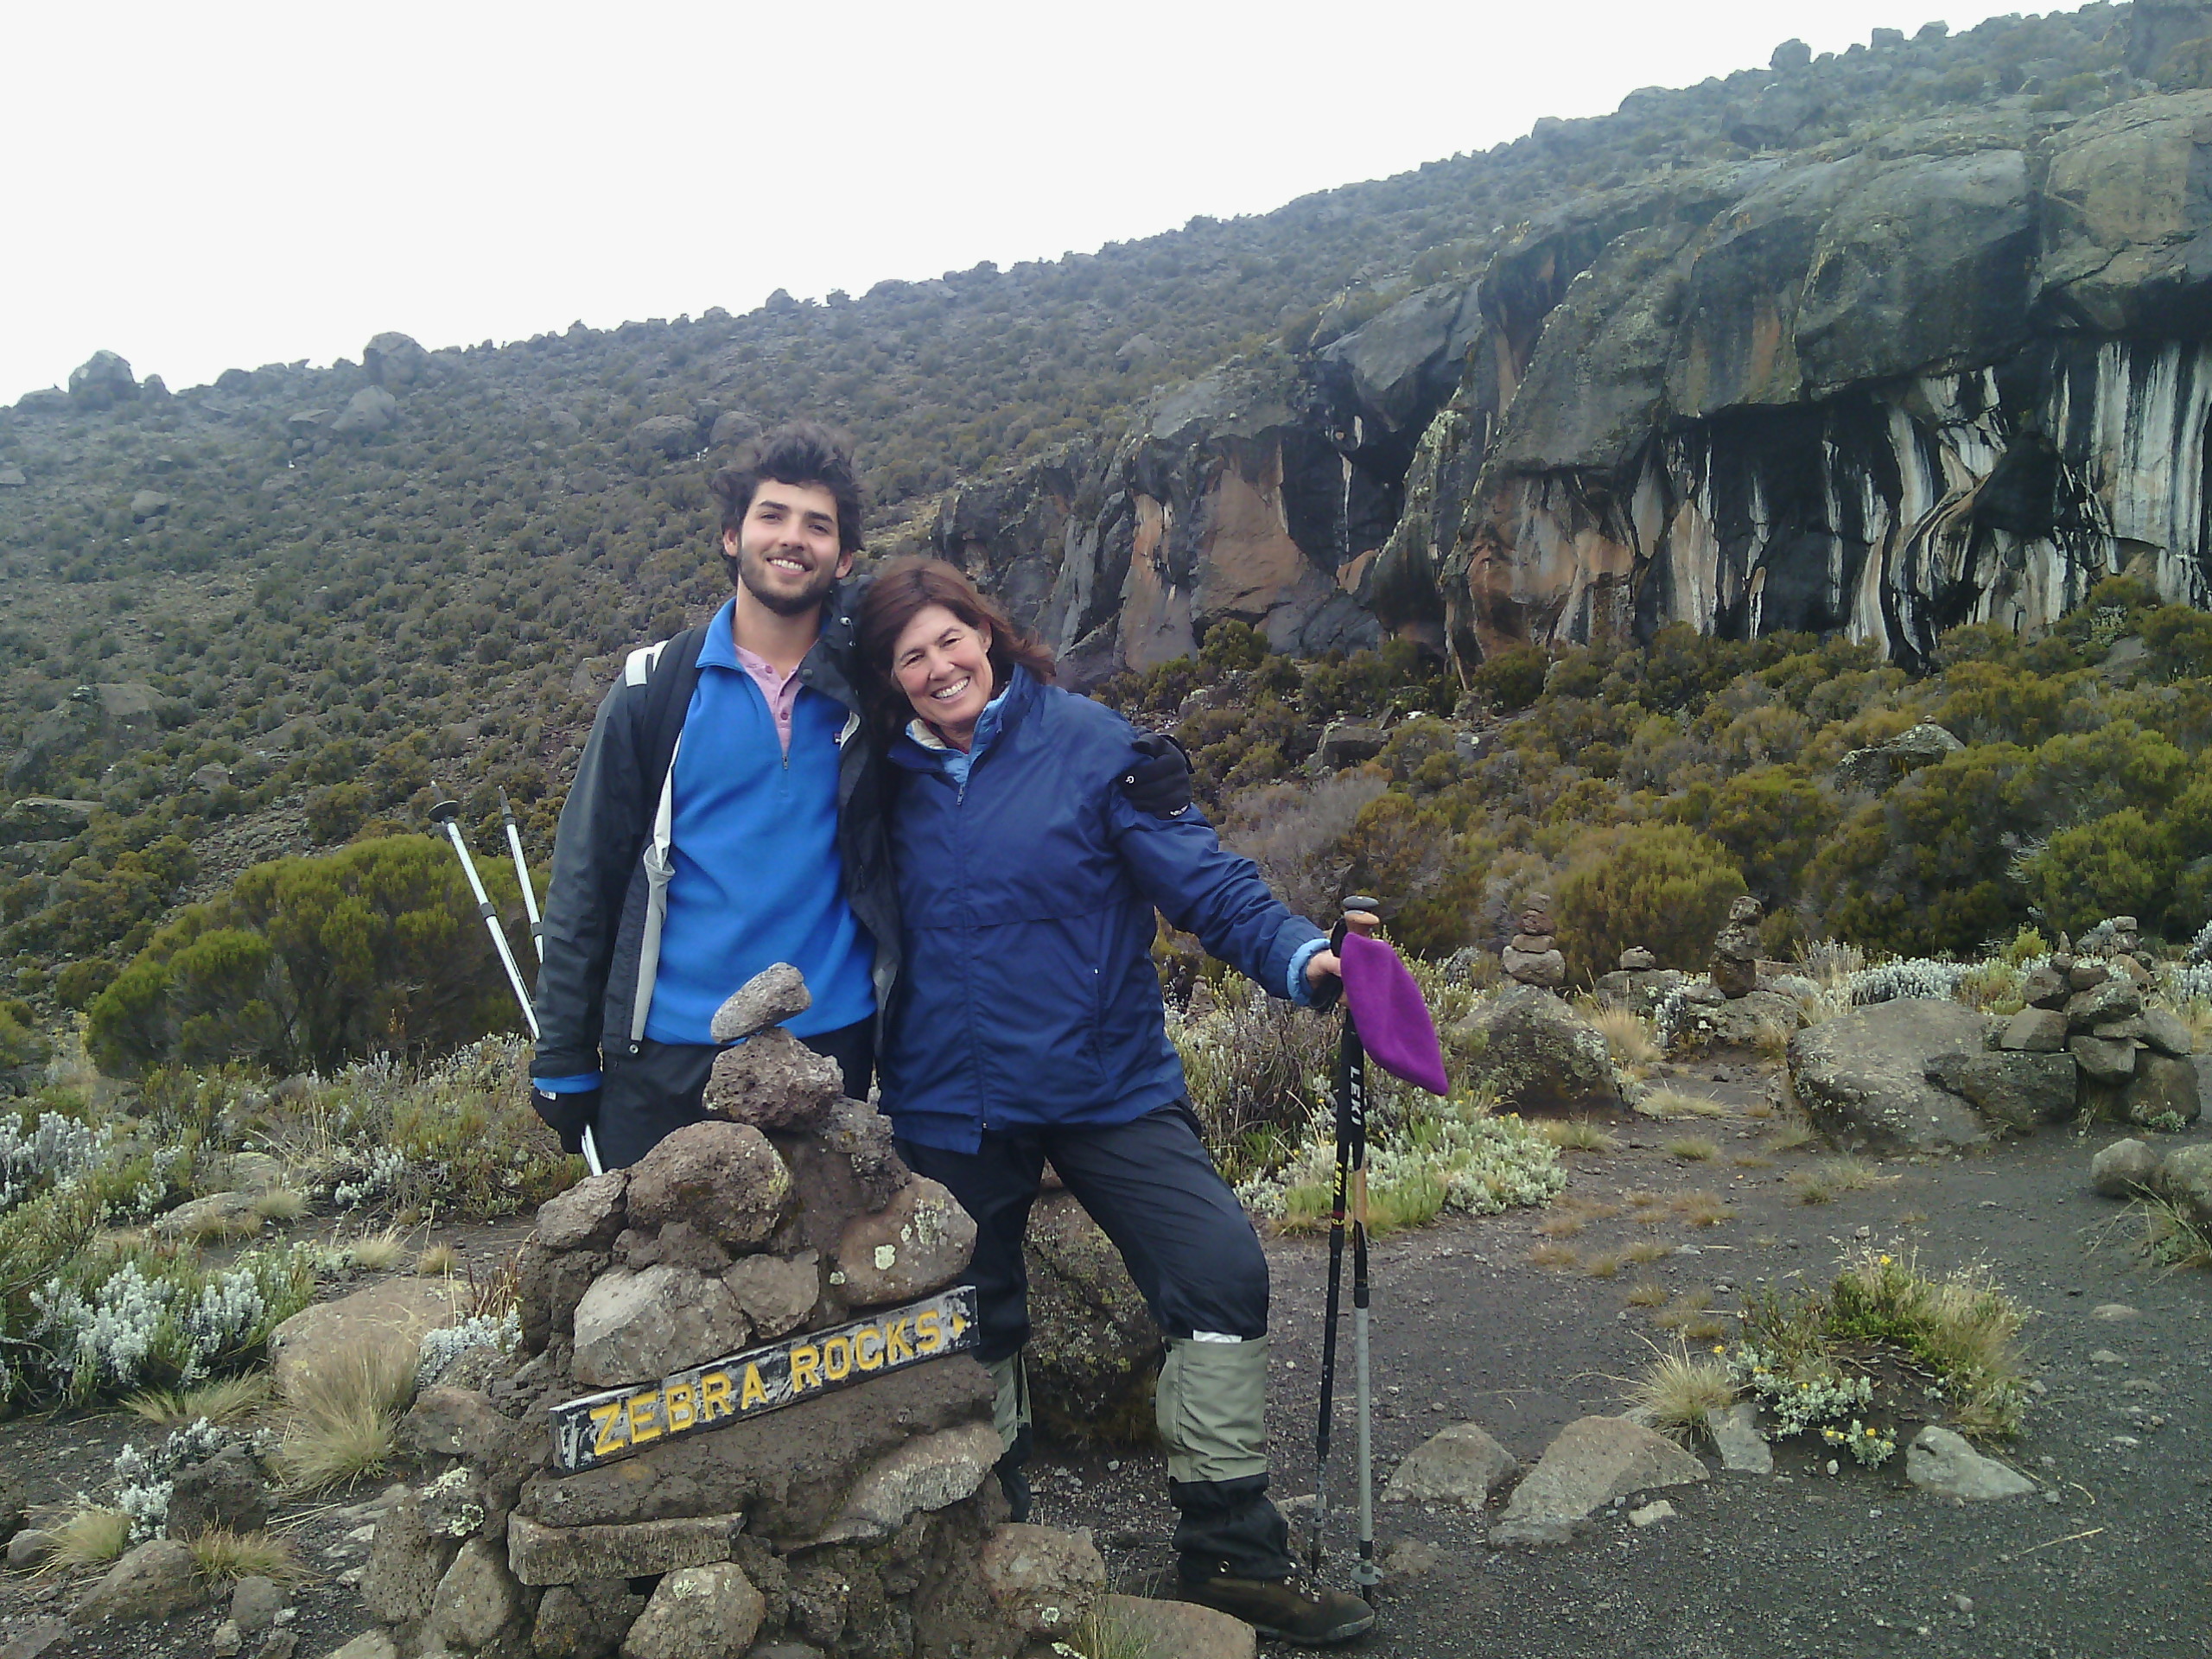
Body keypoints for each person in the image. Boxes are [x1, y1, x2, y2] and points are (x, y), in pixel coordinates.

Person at [856, 557, 1375, 1647]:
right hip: (952, 1100)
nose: (940, 666)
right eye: (911, 657)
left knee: (1219, 1270)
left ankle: (1230, 1551)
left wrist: (1299, 956)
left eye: (951, 639)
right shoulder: (875, 780)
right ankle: (999, 1546)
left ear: (988, 633)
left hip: (1106, 1082)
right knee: (973, 1317)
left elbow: (1203, 879)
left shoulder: (1091, 745)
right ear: (890, 679)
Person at [529, 422, 896, 1169]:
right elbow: (585, 881)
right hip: (668, 1056)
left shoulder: (875, 693)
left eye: (817, 526)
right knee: (658, 1279)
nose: (793, 538)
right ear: (733, 536)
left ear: (844, 557)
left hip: (830, 1049)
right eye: (773, 516)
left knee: (824, 1278)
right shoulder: (653, 691)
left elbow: (982, 704)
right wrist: (564, 1054)